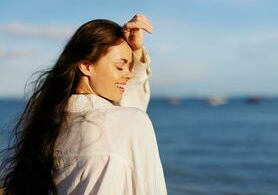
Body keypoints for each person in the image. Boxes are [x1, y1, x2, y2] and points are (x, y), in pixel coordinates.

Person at [0, 14, 167, 195]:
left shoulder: (52, 126)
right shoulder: (131, 122)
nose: (128, 74)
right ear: (86, 66)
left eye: (130, 67)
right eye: (120, 66)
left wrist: (135, 54)